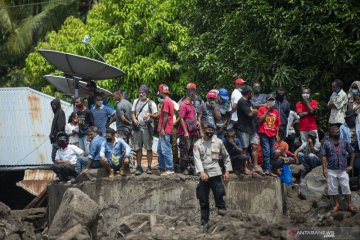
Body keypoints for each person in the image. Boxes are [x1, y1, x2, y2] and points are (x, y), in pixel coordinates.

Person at [193, 119, 232, 226]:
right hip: (204, 175)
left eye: (211, 130)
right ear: (203, 130)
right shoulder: (197, 144)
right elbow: (197, 160)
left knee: (220, 197)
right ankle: (204, 223)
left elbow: (226, 156)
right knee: (203, 200)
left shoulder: (218, 142)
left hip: (216, 174)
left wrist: (227, 171)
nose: (210, 132)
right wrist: (201, 172)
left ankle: (223, 223)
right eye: (208, 129)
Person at [320, 125, 356, 213]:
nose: (338, 132)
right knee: (333, 189)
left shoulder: (344, 142)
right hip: (331, 170)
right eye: (335, 131)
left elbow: (352, 152)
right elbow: (323, 156)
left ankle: (350, 205)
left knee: (346, 187)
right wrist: (324, 169)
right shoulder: (326, 143)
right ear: (330, 133)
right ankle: (337, 205)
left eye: (338, 131)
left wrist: (351, 165)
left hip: (343, 170)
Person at [131, 85, 158, 175]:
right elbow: (133, 113)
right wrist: (134, 119)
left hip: (147, 128)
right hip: (137, 128)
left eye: (142, 92)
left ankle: (149, 167)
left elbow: (156, 115)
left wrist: (150, 115)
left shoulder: (151, 103)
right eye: (140, 92)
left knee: (149, 148)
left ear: (146, 93)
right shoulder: (136, 101)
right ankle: (139, 167)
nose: (141, 94)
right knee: (138, 148)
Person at [236, 86, 261, 174]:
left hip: (252, 128)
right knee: (245, 149)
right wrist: (255, 111)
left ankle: (255, 166)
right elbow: (250, 114)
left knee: (255, 146)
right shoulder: (241, 102)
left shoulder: (248, 102)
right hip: (244, 129)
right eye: (252, 93)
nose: (253, 95)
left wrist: (257, 109)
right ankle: (245, 168)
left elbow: (253, 110)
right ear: (249, 93)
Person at [178, 83, 200, 175]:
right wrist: (186, 132)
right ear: (191, 92)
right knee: (185, 150)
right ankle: (184, 168)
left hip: (193, 131)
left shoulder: (191, 104)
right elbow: (181, 118)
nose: (195, 94)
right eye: (194, 91)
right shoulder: (183, 104)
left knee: (192, 150)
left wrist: (197, 122)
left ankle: (192, 168)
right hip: (186, 132)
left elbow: (192, 116)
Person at [257, 94, 281, 176]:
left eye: (272, 100)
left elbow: (277, 124)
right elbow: (259, 120)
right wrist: (267, 111)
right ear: (266, 101)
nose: (271, 102)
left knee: (272, 152)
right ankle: (267, 169)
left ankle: (267, 168)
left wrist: (277, 134)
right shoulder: (261, 109)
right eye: (269, 100)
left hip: (273, 134)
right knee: (266, 151)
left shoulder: (276, 112)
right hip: (264, 133)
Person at [157, 84, 175, 175]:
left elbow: (165, 116)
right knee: (160, 150)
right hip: (164, 129)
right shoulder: (170, 101)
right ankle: (162, 167)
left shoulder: (166, 102)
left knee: (165, 149)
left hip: (165, 129)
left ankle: (169, 168)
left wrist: (163, 129)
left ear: (160, 92)